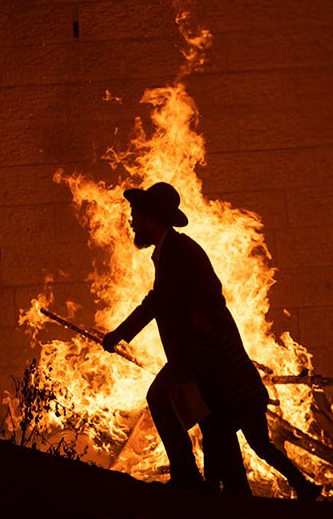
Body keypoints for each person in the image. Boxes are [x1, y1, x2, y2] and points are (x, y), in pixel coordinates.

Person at [102, 182, 321, 501]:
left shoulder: (178, 252)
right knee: (214, 422)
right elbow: (162, 301)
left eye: (136, 215)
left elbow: (169, 301)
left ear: (152, 217)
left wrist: (121, 334)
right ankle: (230, 488)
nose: (132, 221)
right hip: (199, 353)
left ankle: (190, 477)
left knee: (166, 400)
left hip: (203, 353)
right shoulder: (168, 252)